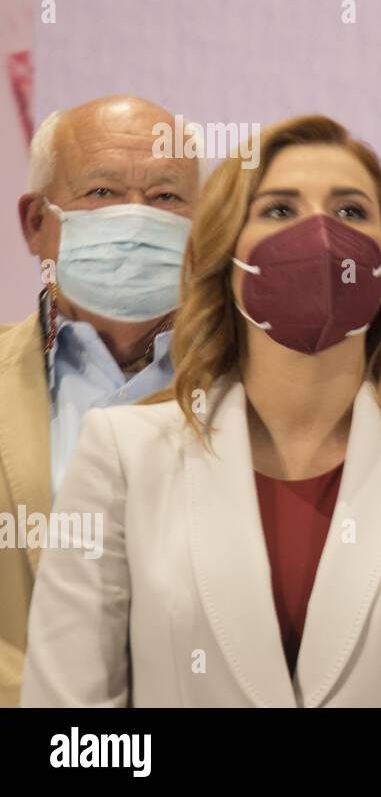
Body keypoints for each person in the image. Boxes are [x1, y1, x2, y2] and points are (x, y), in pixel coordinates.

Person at [22, 115, 381, 707]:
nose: (320, 235)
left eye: (350, 212)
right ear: (225, 254)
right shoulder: (122, 452)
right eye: (279, 210)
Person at [0, 95, 199, 707]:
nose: (135, 220)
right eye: (103, 192)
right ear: (37, 223)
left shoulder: (265, 394)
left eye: (166, 198)